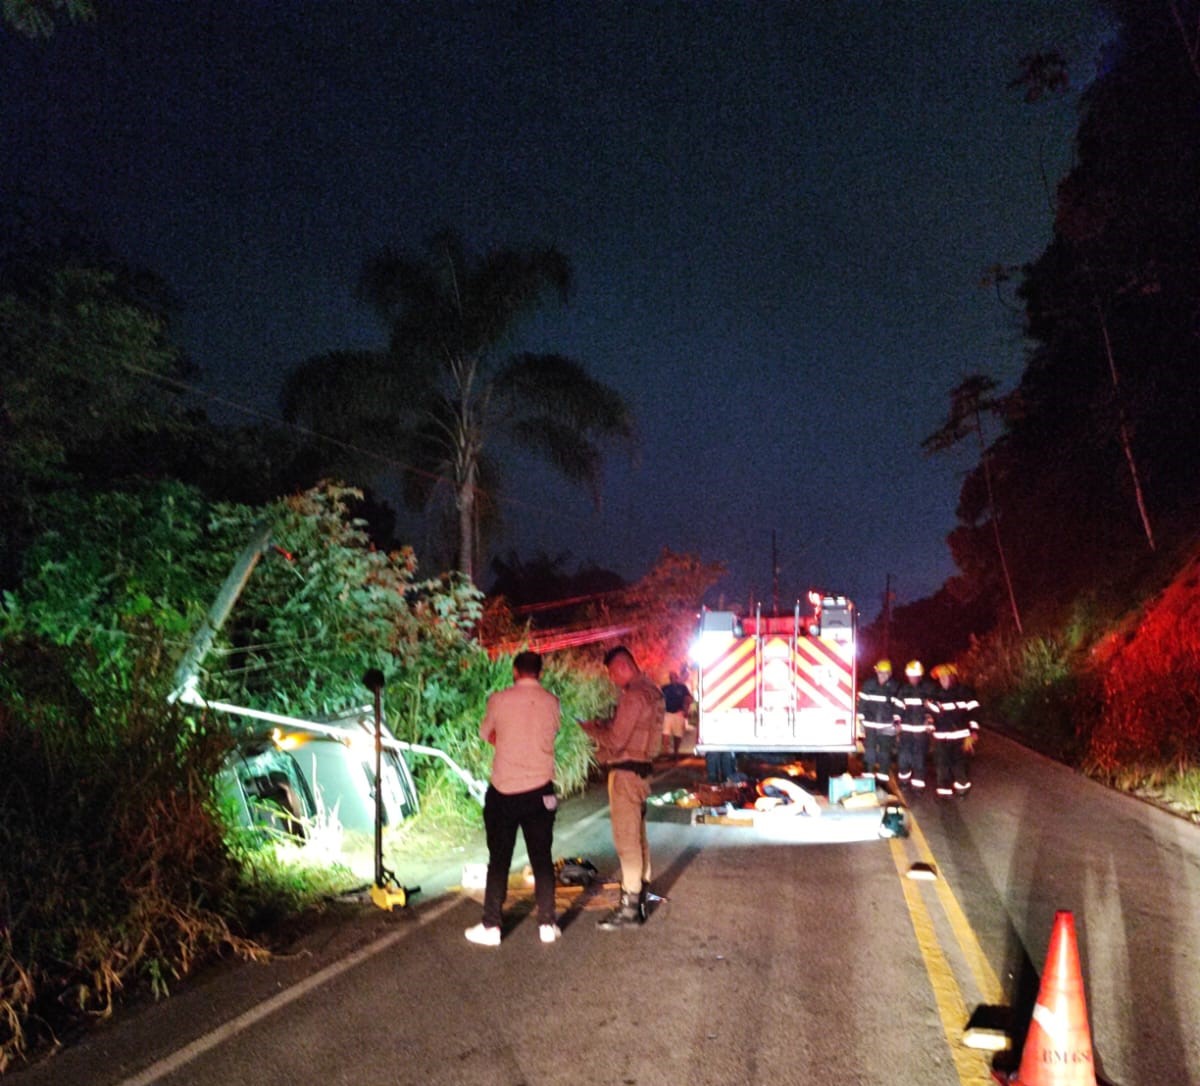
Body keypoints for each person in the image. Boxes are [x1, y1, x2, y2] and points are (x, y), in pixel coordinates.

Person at [465, 650, 563, 947]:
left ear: (515, 671)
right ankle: (547, 923)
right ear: (540, 673)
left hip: (505, 791)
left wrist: (505, 739)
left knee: (499, 860)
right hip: (540, 790)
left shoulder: (499, 699)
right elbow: (551, 733)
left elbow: (487, 733)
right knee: (542, 859)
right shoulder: (552, 702)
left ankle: (492, 925)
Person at [580, 645, 664, 930]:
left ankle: (630, 908)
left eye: (612, 674)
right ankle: (641, 895)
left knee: (627, 841)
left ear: (621, 667)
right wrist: (604, 724)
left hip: (626, 775)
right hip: (640, 773)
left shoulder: (634, 695)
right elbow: (630, 730)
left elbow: (615, 741)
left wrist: (589, 729)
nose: (612, 680)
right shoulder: (653, 691)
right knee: (639, 839)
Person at [928, 664, 980, 797]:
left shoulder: (964, 693)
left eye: (945, 677)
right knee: (942, 766)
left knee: (959, 765)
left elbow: (974, 713)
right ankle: (944, 792)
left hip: (960, 738)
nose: (942, 680)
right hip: (941, 738)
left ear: (953, 677)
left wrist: (973, 732)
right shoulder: (935, 694)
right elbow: (931, 715)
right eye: (940, 678)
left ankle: (962, 789)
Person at [893, 659, 934, 792]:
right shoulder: (904, 690)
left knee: (919, 760)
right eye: (911, 676)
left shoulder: (928, 689)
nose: (913, 679)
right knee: (904, 758)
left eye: (915, 676)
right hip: (906, 732)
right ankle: (904, 781)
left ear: (920, 675)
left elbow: (933, 709)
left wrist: (930, 723)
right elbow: (898, 708)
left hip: (921, 733)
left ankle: (918, 787)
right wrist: (897, 722)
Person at [857, 658, 899, 783]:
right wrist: (861, 721)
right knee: (870, 751)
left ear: (890, 674)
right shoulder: (868, 685)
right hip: (870, 725)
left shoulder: (895, 687)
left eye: (885, 673)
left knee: (885, 752)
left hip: (887, 726)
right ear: (876, 672)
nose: (882, 675)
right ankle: (868, 775)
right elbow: (862, 704)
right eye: (880, 672)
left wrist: (897, 722)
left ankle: (883, 779)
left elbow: (898, 706)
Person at [660, 670, 693, 760]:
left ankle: (676, 753)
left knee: (677, 735)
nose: (672, 678)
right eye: (670, 677)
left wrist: (686, 708)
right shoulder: (665, 688)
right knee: (665, 733)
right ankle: (665, 753)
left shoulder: (682, 688)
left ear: (677, 677)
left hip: (679, 713)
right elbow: (659, 698)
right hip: (667, 713)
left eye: (673, 676)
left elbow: (689, 698)